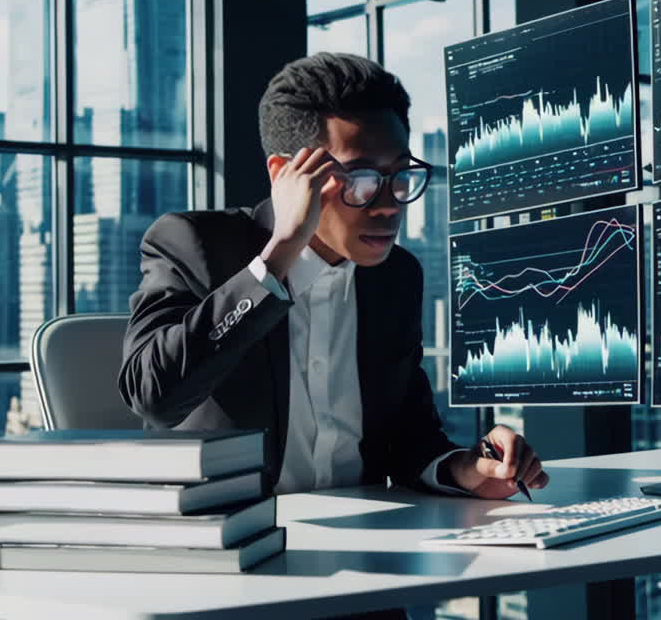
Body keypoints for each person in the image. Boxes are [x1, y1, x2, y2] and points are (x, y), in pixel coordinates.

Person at [118, 52, 548, 502]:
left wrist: (467, 468)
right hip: (232, 541)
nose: (388, 205)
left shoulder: (396, 276)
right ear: (286, 176)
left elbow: (409, 436)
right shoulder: (192, 243)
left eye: (400, 176)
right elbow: (154, 396)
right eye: (360, 180)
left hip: (363, 542)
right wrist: (279, 256)